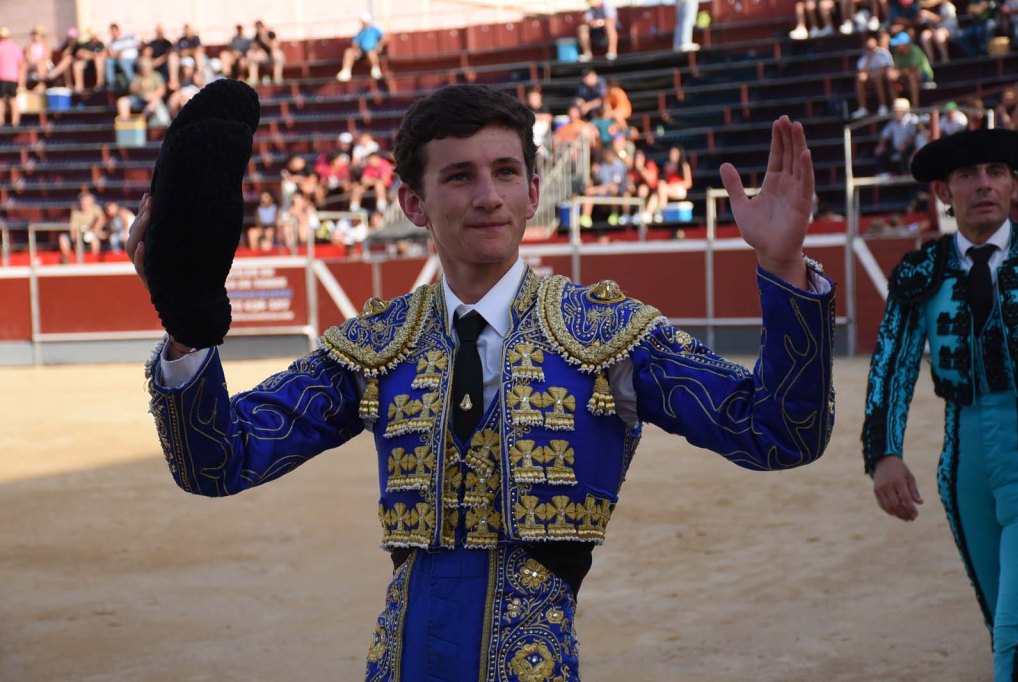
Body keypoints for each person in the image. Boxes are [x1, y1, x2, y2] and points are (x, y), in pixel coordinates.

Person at [127, 83, 835, 679]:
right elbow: (218, 462)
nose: (488, 196)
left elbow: (778, 432)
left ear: (534, 192)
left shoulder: (608, 335)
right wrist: (187, 327)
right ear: (413, 203)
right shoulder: (376, 346)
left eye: (505, 172)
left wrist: (782, 269)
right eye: (460, 176)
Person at [861, 127, 1018, 681]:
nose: (984, 185)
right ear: (943, 192)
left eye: (996, 172)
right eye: (967, 175)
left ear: (1014, 184)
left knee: (1015, 630)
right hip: (964, 460)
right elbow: (892, 364)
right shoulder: (921, 271)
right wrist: (884, 453)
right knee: (998, 612)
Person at [852, 31, 896, 119]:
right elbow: (862, 71)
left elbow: (885, 69)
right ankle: (862, 108)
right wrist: (870, 58)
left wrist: (874, 74)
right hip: (871, 80)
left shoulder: (883, 53)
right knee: (860, 79)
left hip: (884, 79)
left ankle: (883, 106)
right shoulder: (864, 57)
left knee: (878, 78)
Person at [115, 57, 170, 127]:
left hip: (152, 99)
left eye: (146, 67)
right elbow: (131, 90)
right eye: (143, 67)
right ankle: (125, 124)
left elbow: (162, 90)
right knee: (122, 101)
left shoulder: (156, 76)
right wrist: (139, 87)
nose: (145, 69)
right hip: (138, 98)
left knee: (155, 101)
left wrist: (152, 95)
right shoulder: (137, 77)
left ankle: (141, 120)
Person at [887, 31, 934, 109]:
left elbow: (913, 69)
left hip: (924, 75)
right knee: (891, 79)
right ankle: (895, 106)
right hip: (905, 75)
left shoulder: (915, 50)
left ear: (905, 44)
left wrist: (899, 73)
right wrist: (892, 74)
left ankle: (915, 105)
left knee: (912, 76)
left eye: (898, 44)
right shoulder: (897, 53)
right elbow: (896, 68)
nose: (896, 46)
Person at [337, 12, 387, 82]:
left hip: (372, 51)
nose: (363, 24)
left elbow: (384, 37)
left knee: (371, 53)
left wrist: (379, 45)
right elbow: (356, 42)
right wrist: (356, 49)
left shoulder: (374, 30)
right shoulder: (361, 31)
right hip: (361, 51)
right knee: (349, 52)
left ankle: (376, 70)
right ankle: (346, 71)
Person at [873, 97, 918, 174]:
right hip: (896, 147)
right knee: (880, 152)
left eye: (896, 110)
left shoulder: (913, 120)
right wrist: (881, 144)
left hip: (910, 147)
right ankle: (883, 174)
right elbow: (885, 134)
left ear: (904, 110)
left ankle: (905, 174)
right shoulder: (892, 122)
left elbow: (912, 136)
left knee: (905, 152)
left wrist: (905, 144)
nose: (894, 112)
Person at [58, 191, 105, 261]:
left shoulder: (95, 208)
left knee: (94, 241)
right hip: (78, 233)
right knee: (63, 238)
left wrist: (94, 230)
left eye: (86, 201)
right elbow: (73, 226)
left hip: (91, 232)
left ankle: (94, 260)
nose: (83, 203)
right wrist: (75, 237)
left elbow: (101, 219)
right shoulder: (76, 211)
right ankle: (69, 260)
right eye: (82, 201)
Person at [246, 20, 284, 85]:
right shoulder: (256, 36)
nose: (258, 29)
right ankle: (253, 78)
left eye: (259, 27)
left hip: (272, 56)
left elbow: (274, 46)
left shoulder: (270, 33)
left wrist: (264, 38)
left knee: (278, 55)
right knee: (250, 54)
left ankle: (277, 78)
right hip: (263, 57)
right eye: (256, 28)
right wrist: (256, 47)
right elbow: (254, 48)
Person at [105, 23, 140, 91]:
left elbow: (137, 43)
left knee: (123, 61)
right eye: (112, 32)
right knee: (108, 61)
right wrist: (117, 54)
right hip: (118, 58)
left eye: (114, 31)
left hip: (131, 58)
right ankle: (111, 83)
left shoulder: (128, 36)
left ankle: (133, 82)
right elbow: (112, 53)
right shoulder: (112, 42)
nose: (113, 33)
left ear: (118, 30)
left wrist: (122, 52)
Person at [0, 27, 23, 128]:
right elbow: (21, 64)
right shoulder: (15, 48)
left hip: (2, 77)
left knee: (0, 100)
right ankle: (15, 121)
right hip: (13, 77)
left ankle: (1, 121)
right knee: (13, 99)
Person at [71, 28, 106, 92]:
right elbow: (80, 53)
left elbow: (103, 54)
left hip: (97, 63)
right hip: (87, 63)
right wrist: (93, 55)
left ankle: (99, 84)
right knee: (77, 65)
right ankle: (79, 87)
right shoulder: (85, 44)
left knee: (99, 60)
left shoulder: (100, 44)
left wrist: (91, 55)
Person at [23, 25, 52, 91]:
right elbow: (27, 55)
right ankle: (22, 86)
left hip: (44, 63)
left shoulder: (46, 45)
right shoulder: (30, 45)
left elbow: (47, 56)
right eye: (34, 34)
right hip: (32, 62)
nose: (35, 36)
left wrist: (38, 61)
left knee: (40, 64)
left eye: (36, 34)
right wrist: (31, 60)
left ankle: (41, 84)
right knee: (23, 65)